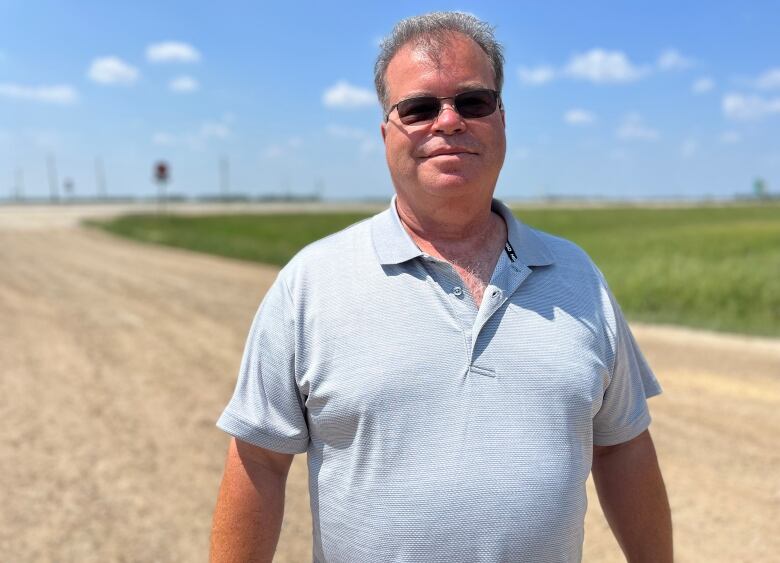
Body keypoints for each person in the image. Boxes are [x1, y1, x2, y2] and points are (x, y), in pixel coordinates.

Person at [210, 11, 672, 563]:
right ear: (387, 132)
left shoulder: (576, 276)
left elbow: (622, 447)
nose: (448, 121)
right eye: (420, 107)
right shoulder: (310, 283)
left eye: (472, 102)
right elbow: (259, 461)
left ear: (501, 119)